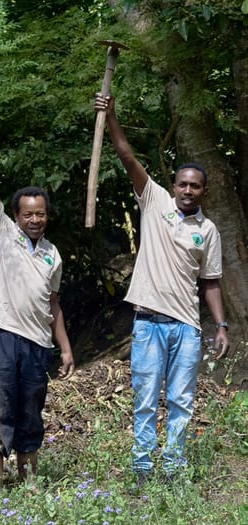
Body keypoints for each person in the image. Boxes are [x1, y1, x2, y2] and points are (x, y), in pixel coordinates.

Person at [94, 94, 229, 482]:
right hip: (148, 323)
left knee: (182, 402)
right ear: (173, 185)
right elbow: (126, 155)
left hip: (186, 328)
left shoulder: (208, 231)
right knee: (146, 401)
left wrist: (220, 326)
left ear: (204, 192)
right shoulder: (155, 202)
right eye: (183, 184)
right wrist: (112, 114)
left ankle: (173, 470)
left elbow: (212, 282)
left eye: (196, 187)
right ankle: (141, 470)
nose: (188, 191)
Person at [0, 120, 75, 498]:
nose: (35, 219)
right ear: (17, 215)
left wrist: (63, 347)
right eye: (28, 214)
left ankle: (29, 486)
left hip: (37, 343)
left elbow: (53, 303)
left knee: (31, 411)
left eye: (41, 213)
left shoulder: (52, 254)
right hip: (2, 336)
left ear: (47, 215)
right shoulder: (3, 233)